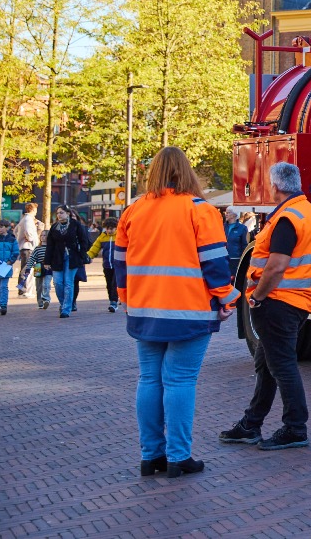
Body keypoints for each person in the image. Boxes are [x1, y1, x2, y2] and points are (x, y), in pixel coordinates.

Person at [116, 145, 239, 479]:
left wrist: (128, 300)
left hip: (144, 312)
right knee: (180, 380)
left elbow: (119, 264)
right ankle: (178, 457)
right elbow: (214, 265)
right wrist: (229, 298)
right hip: (189, 312)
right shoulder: (199, 210)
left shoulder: (134, 210)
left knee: (149, 379)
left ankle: (150, 456)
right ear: (187, 172)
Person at [220, 162, 311, 451]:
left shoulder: (287, 218)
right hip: (295, 302)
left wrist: (258, 297)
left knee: (281, 365)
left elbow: (276, 266)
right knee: (267, 364)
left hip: (278, 302)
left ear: (275, 186)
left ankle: (295, 427)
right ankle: (251, 424)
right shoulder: (307, 212)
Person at [45, 207, 90, 318]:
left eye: (61, 213)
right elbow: (50, 245)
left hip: (72, 257)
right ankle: (63, 303)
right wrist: (47, 261)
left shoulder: (75, 225)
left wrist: (81, 253)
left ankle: (66, 309)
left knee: (69, 283)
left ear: (68, 213)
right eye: (57, 213)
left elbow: (84, 241)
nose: (59, 215)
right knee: (57, 282)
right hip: (57, 258)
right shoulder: (54, 227)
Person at [88, 217, 120, 312]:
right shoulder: (102, 237)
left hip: (117, 265)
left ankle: (114, 302)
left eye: (111, 228)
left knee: (115, 284)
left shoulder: (119, 236)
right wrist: (88, 256)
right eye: (107, 228)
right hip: (106, 265)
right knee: (109, 284)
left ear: (116, 228)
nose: (109, 230)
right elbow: (95, 247)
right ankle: (111, 300)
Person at [16, 203, 41, 298]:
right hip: (29, 247)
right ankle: (23, 291)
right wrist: (31, 239)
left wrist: (20, 237)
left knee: (26, 269)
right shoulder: (28, 219)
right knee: (26, 269)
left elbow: (16, 231)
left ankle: (23, 290)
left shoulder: (23, 219)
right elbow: (29, 232)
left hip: (25, 247)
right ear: (33, 209)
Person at [223, 208, 248, 275]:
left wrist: (244, 260)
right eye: (226, 213)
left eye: (228, 213)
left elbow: (244, 245)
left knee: (234, 280)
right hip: (223, 258)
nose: (226, 214)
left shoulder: (242, 228)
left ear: (234, 215)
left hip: (235, 259)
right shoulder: (222, 227)